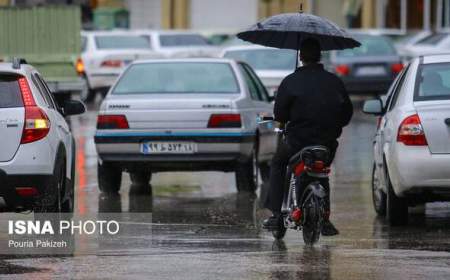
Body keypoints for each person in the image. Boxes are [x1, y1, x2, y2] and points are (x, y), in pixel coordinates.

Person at [263, 38, 353, 236]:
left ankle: (276, 214)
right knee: (323, 171)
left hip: (297, 142)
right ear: (320, 56)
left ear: (301, 56)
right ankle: (326, 219)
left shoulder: (290, 81)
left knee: (278, 163)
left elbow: (280, 115)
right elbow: (347, 113)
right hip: (327, 144)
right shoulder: (335, 81)